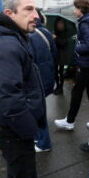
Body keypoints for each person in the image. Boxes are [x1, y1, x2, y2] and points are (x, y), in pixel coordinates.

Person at [0, 0, 45, 178]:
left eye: (36, 9)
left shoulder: (12, 40)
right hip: (13, 129)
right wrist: (28, 128)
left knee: (18, 173)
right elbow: (8, 97)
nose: (36, 15)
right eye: (29, 9)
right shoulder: (6, 46)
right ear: (9, 13)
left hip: (12, 127)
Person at [54, 0, 89, 131]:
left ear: (80, 9)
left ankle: (70, 121)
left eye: (75, 8)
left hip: (86, 64)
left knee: (77, 92)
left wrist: (77, 47)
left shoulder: (86, 23)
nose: (74, 10)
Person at [29, 9, 56, 153]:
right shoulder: (46, 32)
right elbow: (54, 54)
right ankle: (38, 137)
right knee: (38, 108)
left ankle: (43, 142)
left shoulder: (28, 35)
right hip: (47, 76)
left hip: (36, 79)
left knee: (37, 110)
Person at [53, 18, 71, 95]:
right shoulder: (55, 32)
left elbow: (63, 43)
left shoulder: (66, 33)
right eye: (58, 23)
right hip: (56, 54)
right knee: (55, 72)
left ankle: (61, 88)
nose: (60, 25)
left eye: (61, 23)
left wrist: (55, 38)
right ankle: (57, 86)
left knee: (61, 71)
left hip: (62, 55)